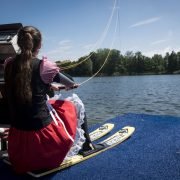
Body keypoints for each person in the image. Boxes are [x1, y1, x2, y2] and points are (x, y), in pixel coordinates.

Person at [4, 26, 104, 173]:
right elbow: (70, 82)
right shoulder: (44, 66)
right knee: (74, 103)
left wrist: (48, 86)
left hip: (18, 148)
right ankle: (87, 145)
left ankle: (83, 142)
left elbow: (25, 84)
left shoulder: (8, 64)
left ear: (19, 43)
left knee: (49, 104)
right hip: (43, 148)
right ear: (39, 45)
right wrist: (68, 85)